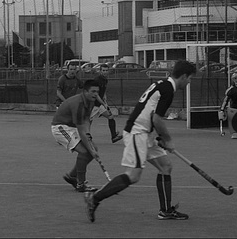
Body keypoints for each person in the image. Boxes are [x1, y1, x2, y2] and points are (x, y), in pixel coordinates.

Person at [84, 60, 197, 222]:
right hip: (137, 131)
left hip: (146, 132)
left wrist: (159, 137)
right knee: (133, 175)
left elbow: (151, 115)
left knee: (165, 166)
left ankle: (165, 211)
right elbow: (157, 119)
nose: (189, 82)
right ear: (184, 76)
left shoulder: (163, 85)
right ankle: (94, 199)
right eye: (189, 78)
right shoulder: (168, 90)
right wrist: (168, 140)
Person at [52, 80, 101, 192]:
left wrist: (89, 137)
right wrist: (89, 147)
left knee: (93, 149)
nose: (96, 94)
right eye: (93, 91)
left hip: (72, 127)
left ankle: (72, 176)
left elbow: (86, 121)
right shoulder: (78, 104)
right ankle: (81, 184)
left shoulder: (90, 101)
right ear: (85, 91)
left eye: (97, 92)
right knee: (85, 151)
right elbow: (80, 127)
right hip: (60, 127)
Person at [89, 64, 122, 143]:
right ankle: (85, 136)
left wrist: (105, 99)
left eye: (106, 70)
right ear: (100, 71)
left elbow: (103, 91)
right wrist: (103, 103)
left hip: (100, 104)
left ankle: (114, 136)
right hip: (93, 104)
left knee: (110, 117)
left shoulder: (105, 80)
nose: (105, 72)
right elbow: (95, 95)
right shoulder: (97, 80)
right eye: (103, 70)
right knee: (88, 121)